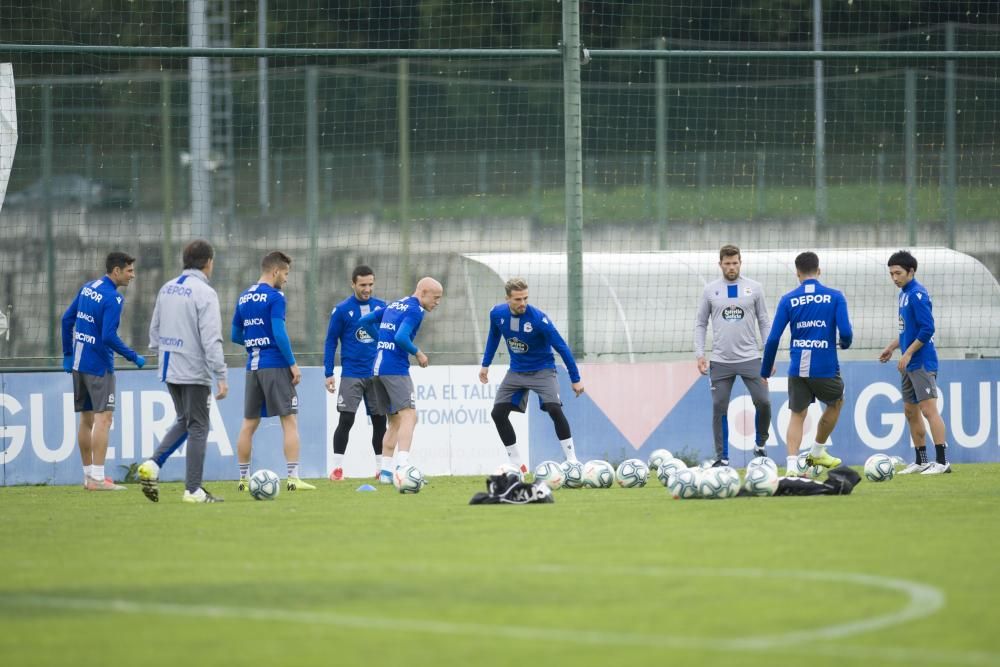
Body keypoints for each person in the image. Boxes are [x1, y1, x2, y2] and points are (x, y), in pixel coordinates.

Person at [137, 240, 229, 503]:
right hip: (193, 369)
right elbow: (211, 338)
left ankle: (153, 465)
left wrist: (166, 351)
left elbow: (154, 331)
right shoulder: (205, 293)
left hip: (169, 367)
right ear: (208, 262)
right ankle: (193, 490)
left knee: (185, 420)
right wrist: (220, 374)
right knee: (199, 425)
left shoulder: (167, 288)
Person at [760, 252, 853, 476]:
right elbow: (847, 332)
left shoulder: (788, 299)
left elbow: (773, 338)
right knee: (836, 401)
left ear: (797, 273)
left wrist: (765, 370)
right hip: (825, 366)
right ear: (818, 271)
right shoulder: (835, 296)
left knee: (797, 414)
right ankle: (818, 451)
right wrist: (845, 343)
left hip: (798, 367)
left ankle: (791, 467)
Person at [60, 250, 145, 491]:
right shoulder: (113, 298)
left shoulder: (88, 287)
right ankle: (98, 478)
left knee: (86, 420)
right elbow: (108, 336)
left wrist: (68, 354)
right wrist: (133, 356)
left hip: (79, 363)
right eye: (129, 270)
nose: (133, 275)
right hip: (98, 365)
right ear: (116, 271)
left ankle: (88, 477)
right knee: (104, 418)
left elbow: (67, 320)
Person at [479, 278, 584, 471]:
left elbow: (562, 348)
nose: (523, 303)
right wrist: (485, 365)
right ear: (507, 299)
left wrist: (575, 379)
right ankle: (517, 464)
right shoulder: (497, 314)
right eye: (518, 299)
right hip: (516, 371)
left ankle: (572, 461)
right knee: (498, 413)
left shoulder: (538, 319)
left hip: (543, 370)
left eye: (525, 298)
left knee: (554, 408)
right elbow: (493, 338)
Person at [232, 251, 315, 491]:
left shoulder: (244, 297)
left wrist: (255, 342)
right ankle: (293, 478)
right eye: (286, 274)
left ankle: (243, 479)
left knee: (248, 424)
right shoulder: (276, 297)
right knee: (289, 421)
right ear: (275, 271)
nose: (287, 279)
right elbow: (279, 333)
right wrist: (292, 363)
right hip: (276, 364)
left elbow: (235, 335)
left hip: (253, 366)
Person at [358, 277, 443, 483]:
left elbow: (364, 322)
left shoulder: (395, 304)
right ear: (423, 292)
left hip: (377, 369)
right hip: (395, 369)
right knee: (410, 416)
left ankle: (386, 473)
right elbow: (401, 337)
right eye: (436, 297)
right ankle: (403, 467)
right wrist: (418, 352)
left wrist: (380, 342)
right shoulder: (415, 310)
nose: (438, 302)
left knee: (394, 421)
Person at [693, 244, 772, 466]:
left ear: (740, 262)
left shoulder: (754, 288)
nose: (731, 267)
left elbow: (764, 321)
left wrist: (770, 353)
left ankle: (760, 444)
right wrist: (700, 354)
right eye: (727, 263)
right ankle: (723, 459)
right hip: (721, 361)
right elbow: (700, 324)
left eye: (735, 263)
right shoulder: (710, 290)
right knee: (719, 407)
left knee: (764, 402)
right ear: (720, 264)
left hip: (750, 358)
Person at [879, 250, 951, 475]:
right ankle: (921, 461)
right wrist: (893, 347)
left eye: (898, 273)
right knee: (910, 412)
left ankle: (942, 462)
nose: (894, 278)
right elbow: (908, 330)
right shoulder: (903, 294)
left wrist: (908, 353)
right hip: (908, 363)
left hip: (922, 361)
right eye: (891, 273)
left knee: (929, 410)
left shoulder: (918, 294)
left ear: (911, 272)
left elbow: (927, 328)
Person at [323, 265, 388, 481]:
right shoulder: (342, 310)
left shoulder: (381, 307)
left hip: (376, 374)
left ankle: (380, 469)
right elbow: (331, 341)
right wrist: (328, 372)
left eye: (370, 284)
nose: (367, 289)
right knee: (346, 420)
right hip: (352, 374)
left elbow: (389, 337)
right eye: (362, 285)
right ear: (353, 284)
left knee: (380, 422)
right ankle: (337, 469)